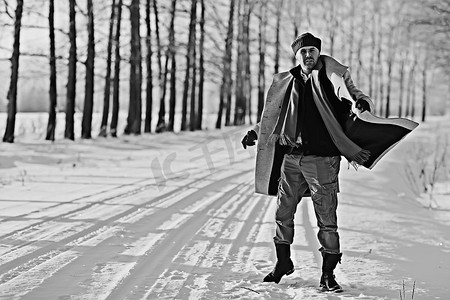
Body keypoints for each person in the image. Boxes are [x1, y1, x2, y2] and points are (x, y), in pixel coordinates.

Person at [241, 32, 374, 293]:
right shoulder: (287, 82)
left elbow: (357, 94)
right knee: (283, 212)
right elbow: (274, 116)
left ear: (318, 53)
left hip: (322, 159)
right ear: (297, 55)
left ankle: (327, 274)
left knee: (326, 217)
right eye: (303, 51)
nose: (308, 55)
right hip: (291, 157)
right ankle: (283, 263)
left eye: (312, 50)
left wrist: (361, 102)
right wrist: (256, 132)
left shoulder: (331, 76)